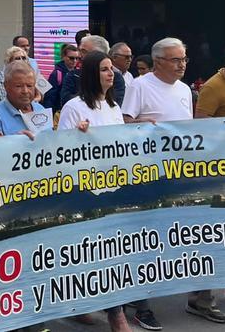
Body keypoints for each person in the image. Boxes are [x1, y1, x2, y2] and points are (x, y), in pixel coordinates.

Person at [121, 37, 225, 328]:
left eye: (184, 59)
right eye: (176, 60)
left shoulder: (184, 90)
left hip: (183, 174)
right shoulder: (139, 86)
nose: (182, 65)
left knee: (197, 236)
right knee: (147, 242)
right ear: (158, 62)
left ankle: (201, 300)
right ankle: (140, 303)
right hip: (148, 177)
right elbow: (124, 127)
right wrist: (147, 131)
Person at [56, 50, 133, 332]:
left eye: (111, 68)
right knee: (90, 253)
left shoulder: (113, 107)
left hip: (114, 189)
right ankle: (105, 310)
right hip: (86, 191)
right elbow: (61, 151)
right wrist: (78, 134)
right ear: (90, 74)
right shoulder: (74, 107)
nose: (110, 73)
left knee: (113, 253)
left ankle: (116, 311)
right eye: (103, 69)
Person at [0, 60, 50, 137]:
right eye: (19, 86)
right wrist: (15, 142)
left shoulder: (40, 109)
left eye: (29, 86)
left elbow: (50, 144)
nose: (25, 91)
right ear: (6, 86)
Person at [58, 35, 126, 108]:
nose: (79, 56)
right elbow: (66, 101)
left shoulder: (115, 78)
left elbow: (113, 105)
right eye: (79, 50)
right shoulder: (73, 75)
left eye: (83, 51)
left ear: (99, 54)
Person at [44, 43, 80, 111]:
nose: (75, 61)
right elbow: (50, 97)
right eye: (71, 58)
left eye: (77, 58)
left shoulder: (78, 73)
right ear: (64, 57)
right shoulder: (57, 74)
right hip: (60, 111)